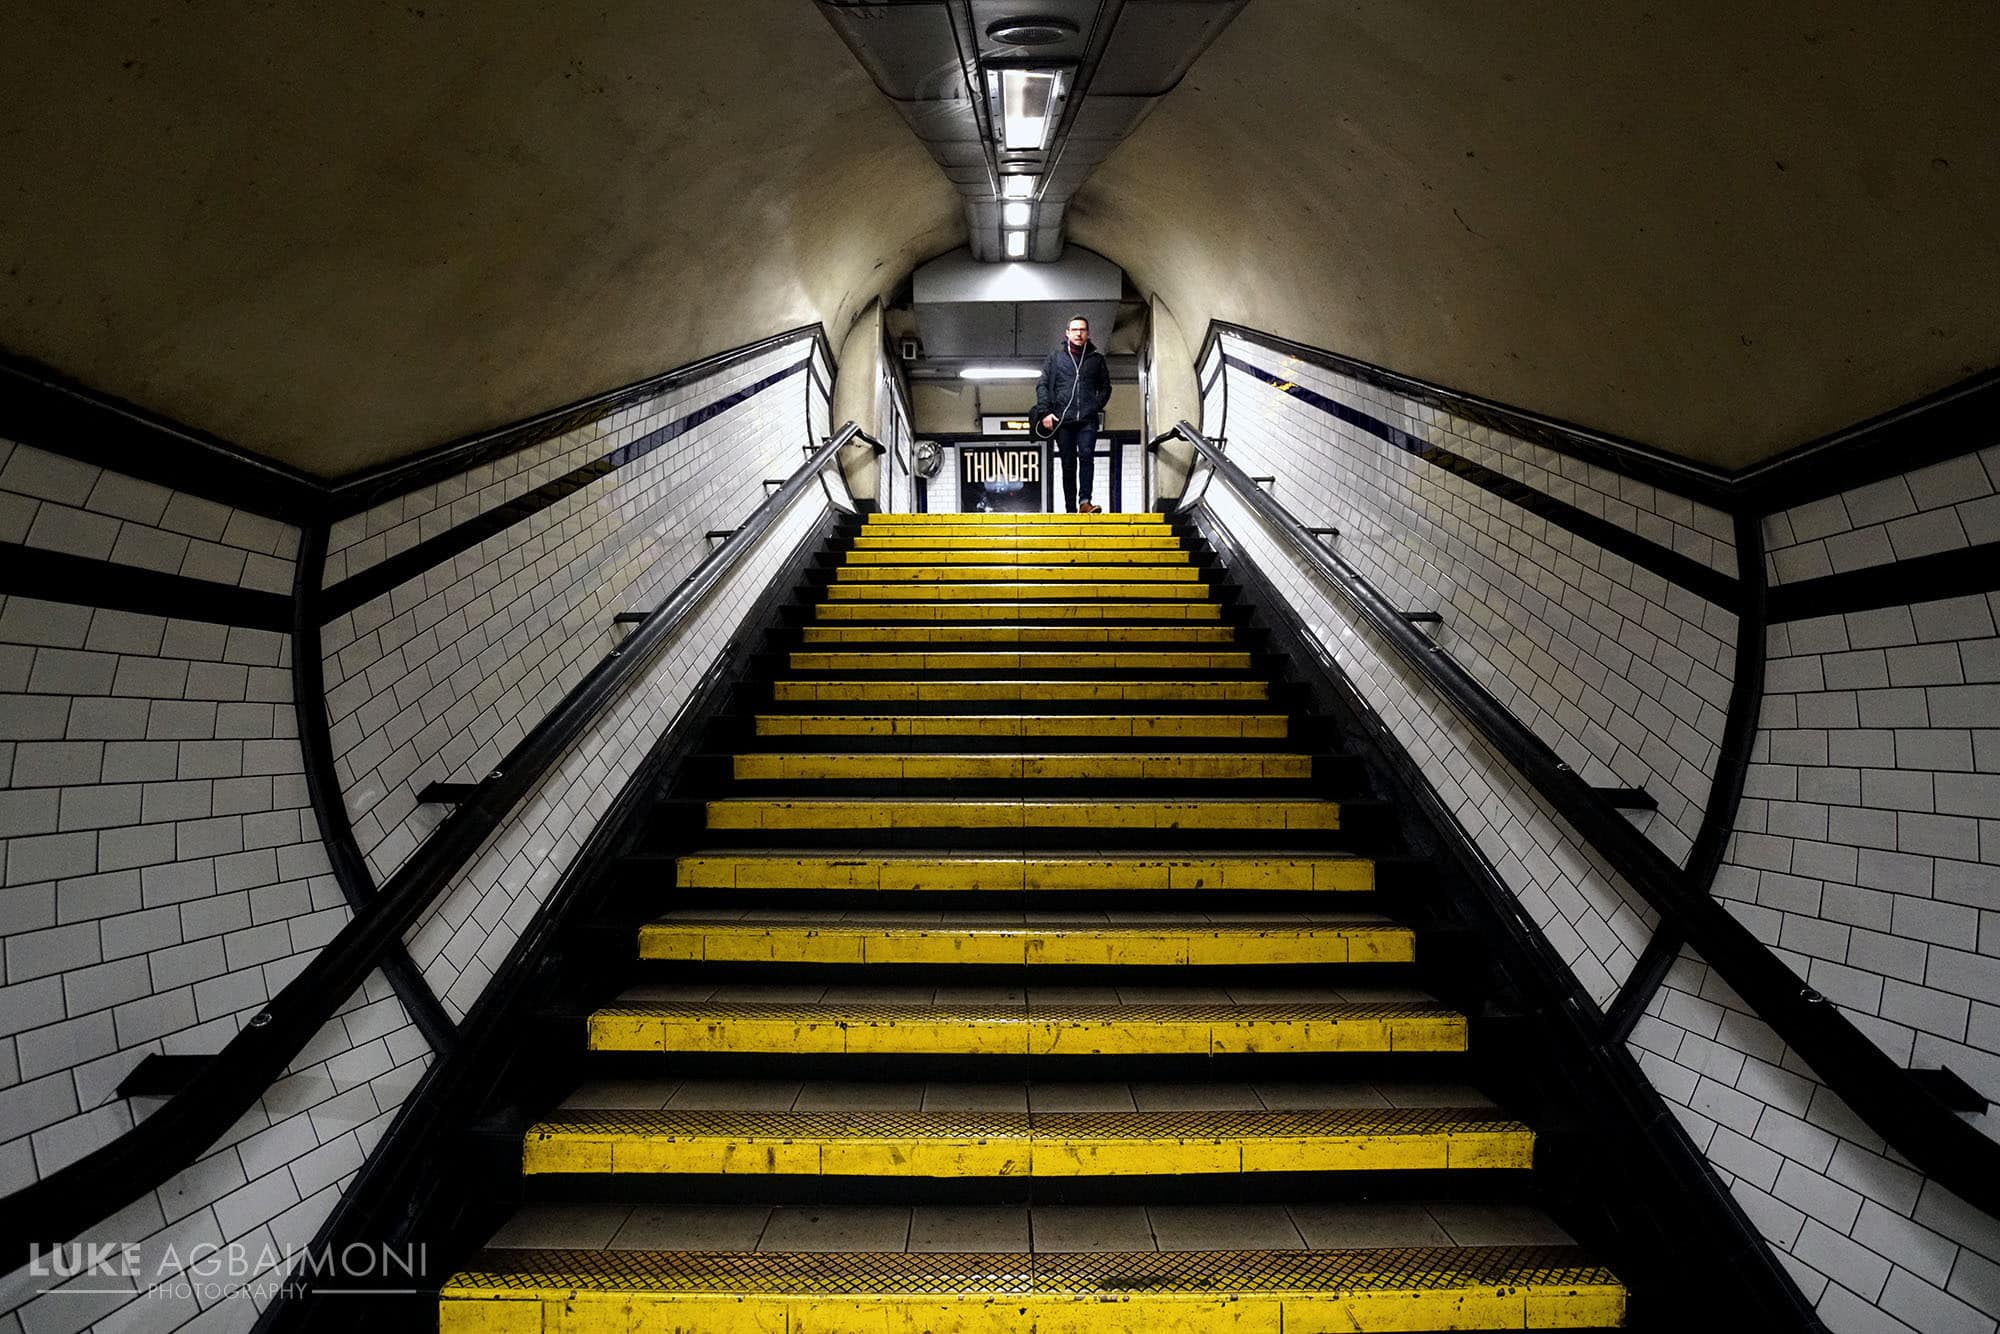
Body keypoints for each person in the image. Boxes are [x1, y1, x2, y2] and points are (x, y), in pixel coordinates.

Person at [1034, 315, 1112, 513]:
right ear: (1067, 333)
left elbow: (1106, 387)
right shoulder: (1055, 358)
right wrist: (1045, 413)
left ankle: (1084, 502)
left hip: (1087, 419)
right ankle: (1070, 509)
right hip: (1063, 420)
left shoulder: (1096, 359)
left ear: (1088, 334)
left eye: (1082, 330)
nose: (1079, 333)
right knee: (1068, 463)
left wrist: (1095, 405)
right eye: (1075, 330)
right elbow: (1042, 385)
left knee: (1086, 456)